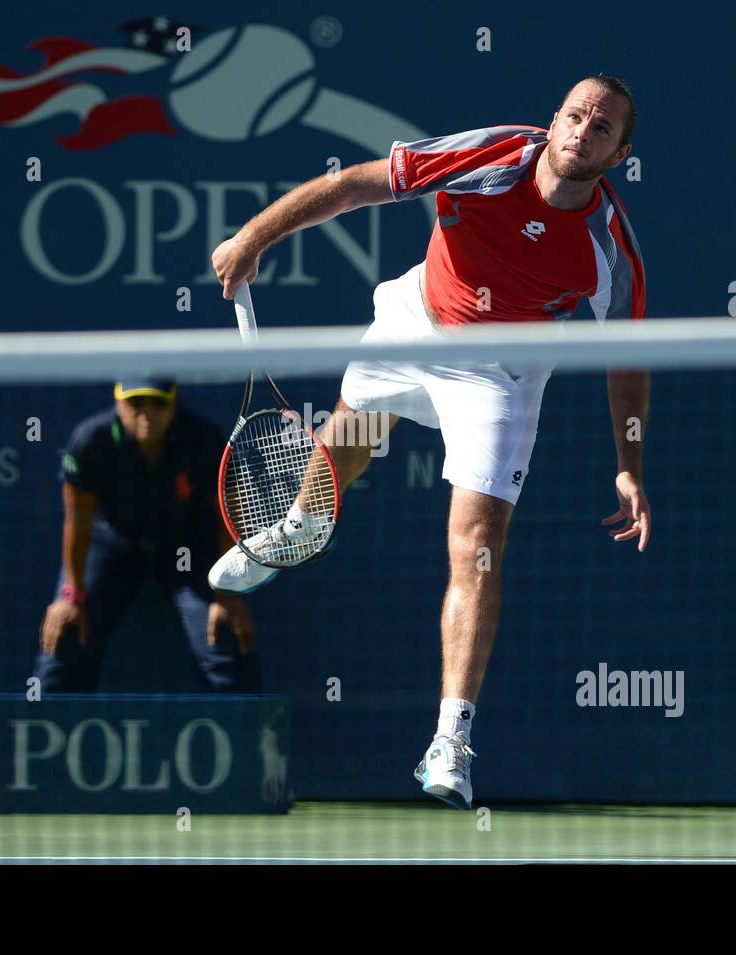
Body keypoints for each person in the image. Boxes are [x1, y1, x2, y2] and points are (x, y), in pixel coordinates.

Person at [207, 76, 651, 808]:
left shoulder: (609, 243)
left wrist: (629, 465)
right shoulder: (489, 157)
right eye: (575, 115)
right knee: (346, 441)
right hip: (418, 316)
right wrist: (255, 237)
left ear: (620, 152)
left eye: (601, 128)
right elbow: (354, 186)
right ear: (554, 119)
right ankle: (300, 522)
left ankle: (450, 738)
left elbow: (630, 361)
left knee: (478, 543)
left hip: (500, 374)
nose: (582, 131)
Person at [35, 378, 259, 693]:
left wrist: (228, 592)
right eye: (136, 403)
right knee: (67, 634)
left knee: (224, 634)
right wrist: (72, 595)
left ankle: (247, 736)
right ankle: (47, 733)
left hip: (187, 549)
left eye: (158, 403)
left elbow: (229, 513)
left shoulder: (203, 439)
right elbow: (77, 520)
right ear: (118, 403)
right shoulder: (91, 440)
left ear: (174, 402)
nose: (147, 413)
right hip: (112, 544)